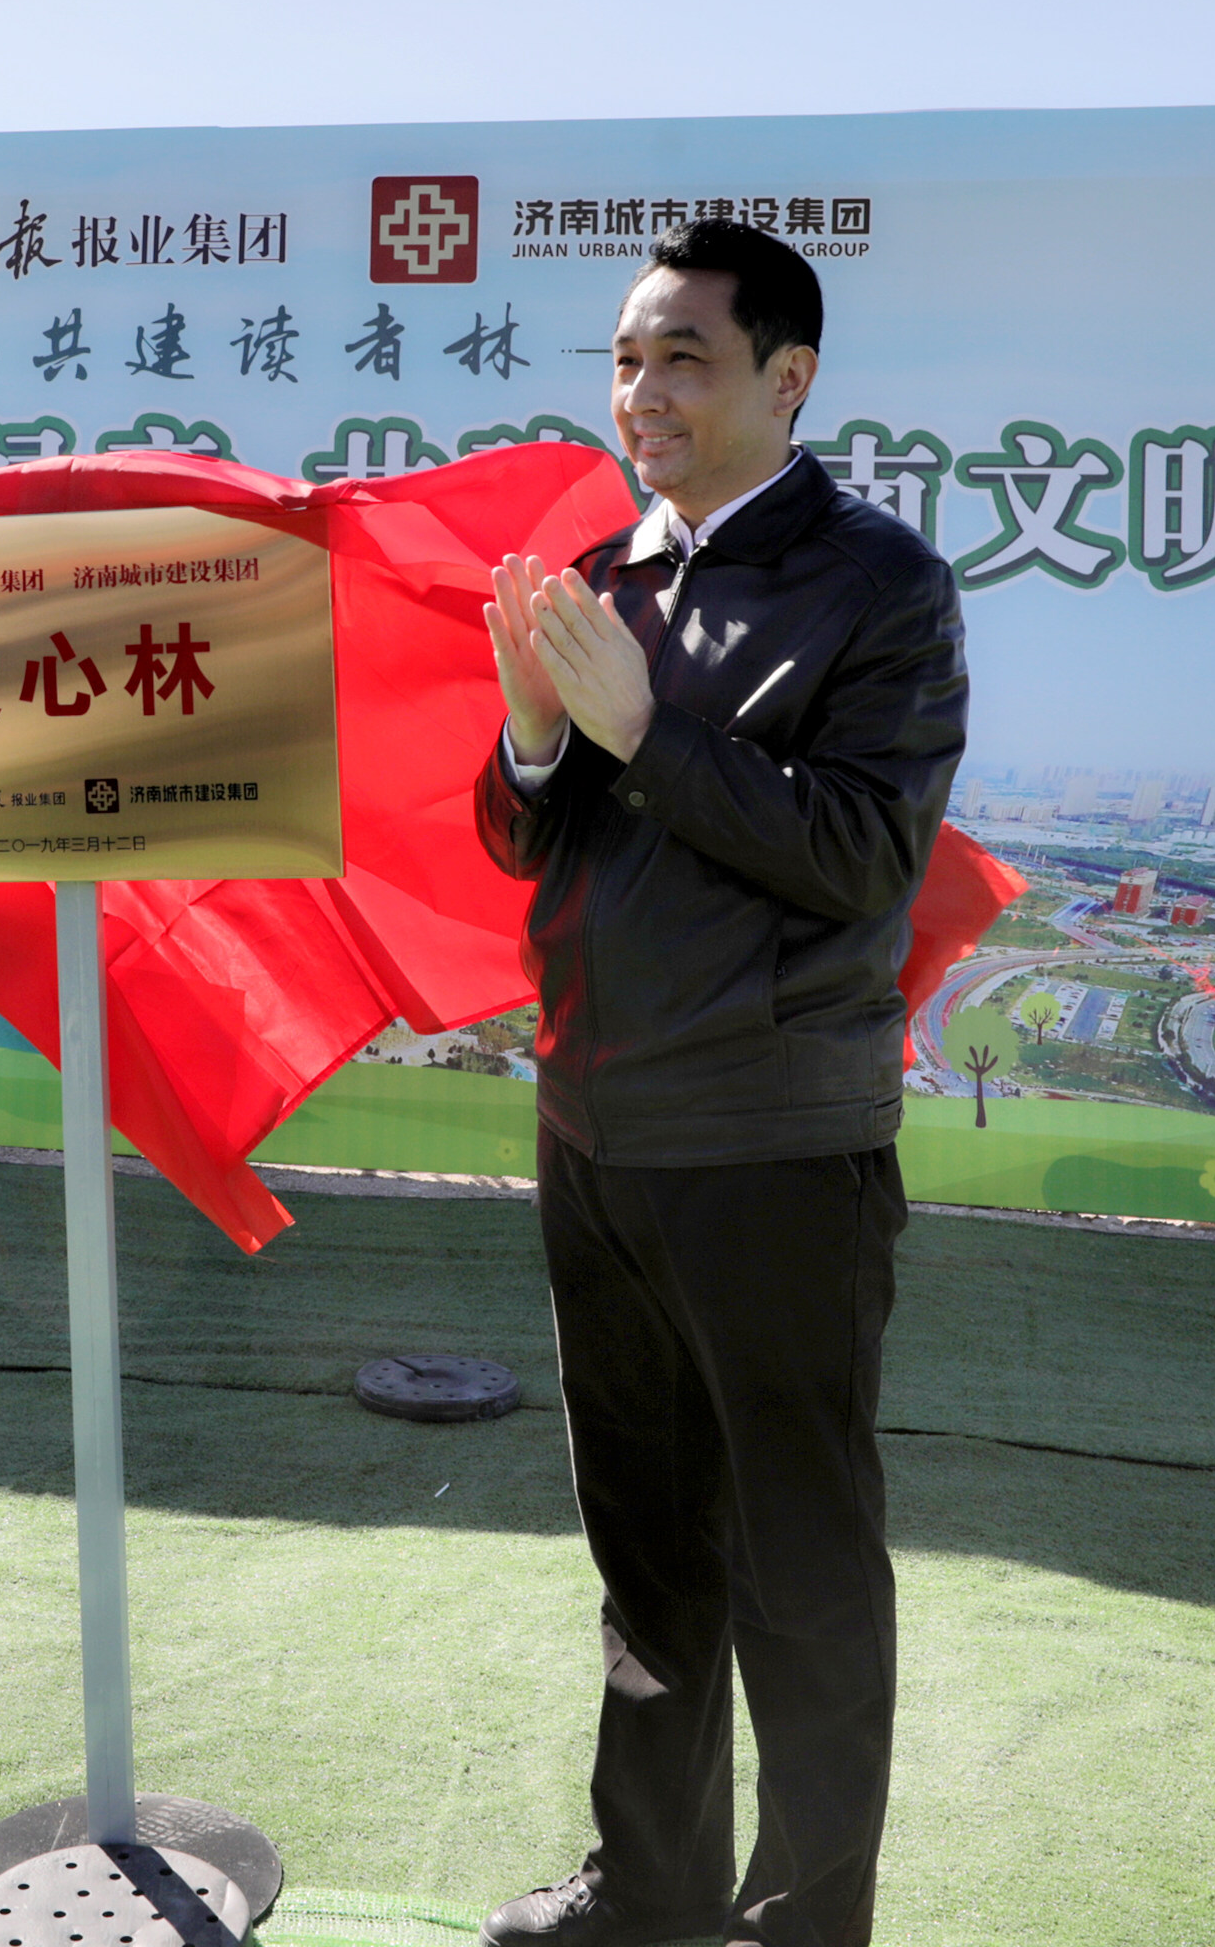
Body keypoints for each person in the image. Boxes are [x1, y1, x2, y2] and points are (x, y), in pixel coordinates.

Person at [471, 221, 968, 1947]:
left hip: (771, 1146)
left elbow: (858, 853)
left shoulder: (878, 584)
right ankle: (650, 1884)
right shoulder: (601, 577)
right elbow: (525, 837)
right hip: (595, 1132)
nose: (641, 391)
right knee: (646, 1548)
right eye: (625, 358)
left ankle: (804, 1920)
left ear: (787, 377)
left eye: (681, 356)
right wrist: (536, 735)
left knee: (798, 1569)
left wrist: (639, 732)